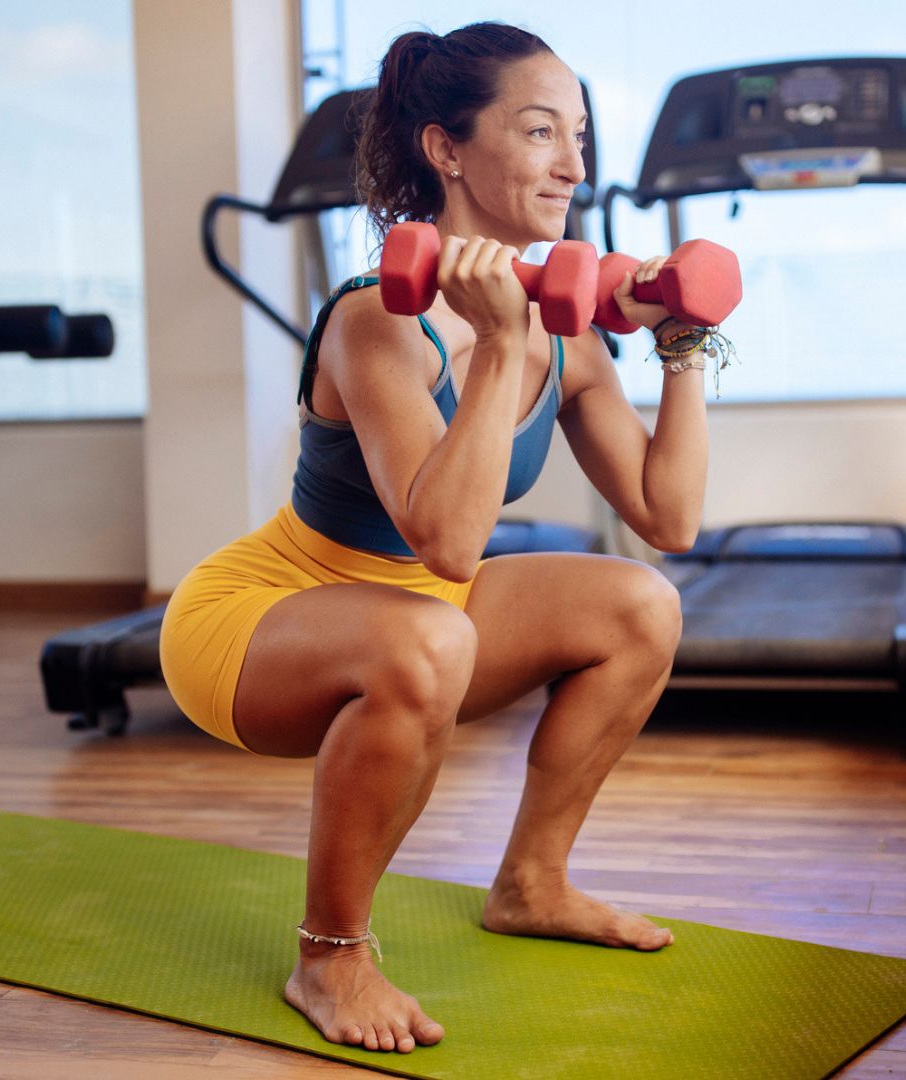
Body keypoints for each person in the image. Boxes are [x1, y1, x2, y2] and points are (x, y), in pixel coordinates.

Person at [160, 21, 716, 1056]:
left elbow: (669, 520)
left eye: (579, 136)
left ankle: (533, 883)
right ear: (447, 149)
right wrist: (504, 342)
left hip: (424, 616)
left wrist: (685, 343)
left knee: (641, 605)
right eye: (540, 130)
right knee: (432, 632)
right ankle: (329, 955)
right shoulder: (379, 319)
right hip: (259, 619)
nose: (572, 165)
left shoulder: (568, 334)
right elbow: (449, 543)